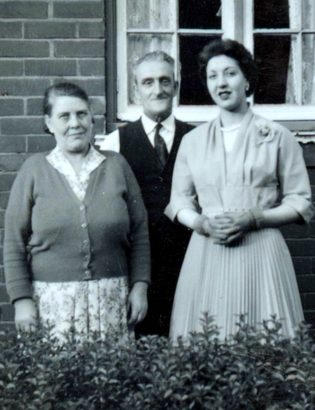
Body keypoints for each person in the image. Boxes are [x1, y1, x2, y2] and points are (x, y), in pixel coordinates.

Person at [165, 39, 314, 341]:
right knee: (205, 343)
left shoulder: (277, 136)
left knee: (265, 343)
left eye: (230, 73)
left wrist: (252, 218)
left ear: (247, 78)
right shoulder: (192, 141)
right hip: (207, 252)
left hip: (261, 253)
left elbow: (300, 201)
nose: (221, 83)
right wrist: (202, 223)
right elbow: (179, 201)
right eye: (212, 76)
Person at [4, 82, 150, 344]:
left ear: (91, 118)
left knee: (110, 380)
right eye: (64, 116)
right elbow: (14, 242)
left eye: (81, 114)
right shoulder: (34, 170)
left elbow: (139, 232)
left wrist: (140, 286)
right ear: (49, 123)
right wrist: (22, 300)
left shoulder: (116, 165)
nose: (75, 123)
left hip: (111, 300)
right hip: (51, 304)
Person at [98, 51, 194, 337]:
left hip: (188, 257)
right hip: (138, 262)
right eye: (148, 82)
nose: (158, 89)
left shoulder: (197, 139)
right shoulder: (116, 142)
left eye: (165, 81)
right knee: (141, 340)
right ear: (137, 89)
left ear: (176, 87)